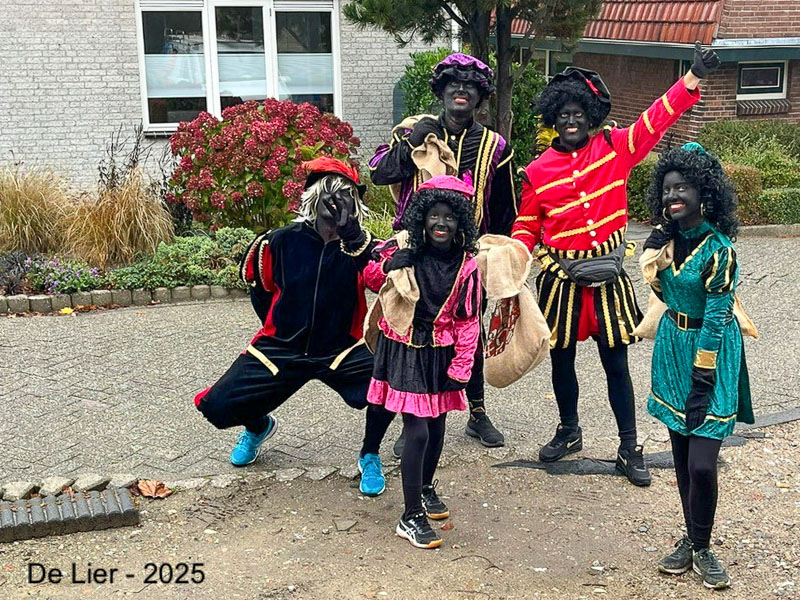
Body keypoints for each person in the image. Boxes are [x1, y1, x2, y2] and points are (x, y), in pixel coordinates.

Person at [511, 42, 721, 486]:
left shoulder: (615, 147)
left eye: (578, 113)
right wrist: (508, 262)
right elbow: (527, 226)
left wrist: (692, 78)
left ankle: (629, 446)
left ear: (590, 115)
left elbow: (654, 120)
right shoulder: (536, 171)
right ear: (553, 120)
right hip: (561, 281)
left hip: (608, 279)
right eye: (563, 115)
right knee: (562, 361)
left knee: (616, 364)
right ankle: (569, 430)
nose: (571, 121)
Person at [193, 157, 395, 497]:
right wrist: (281, 328)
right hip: (281, 347)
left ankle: (370, 453)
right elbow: (261, 291)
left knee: (391, 384)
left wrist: (354, 238)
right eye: (329, 193)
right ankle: (259, 426)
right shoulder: (280, 241)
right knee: (217, 405)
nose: (336, 203)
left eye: (344, 195)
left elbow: (384, 284)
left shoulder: (364, 246)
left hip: (341, 348)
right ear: (313, 197)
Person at [370, 52, 516, 449]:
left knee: (469, 330)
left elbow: (505, 207)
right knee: (413, 330)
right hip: (416, 253)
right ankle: (412, 418)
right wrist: (411, 143)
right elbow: (380, 173)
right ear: (442, 90)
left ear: (480, 95)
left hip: (466, 256)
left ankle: (477, 412)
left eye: (470, 85)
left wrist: (500, 257)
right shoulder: (414, 130)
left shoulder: (496, 146)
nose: (461, 90)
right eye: (454, 83)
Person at [642, 143, 752, 590]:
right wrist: (650, 256)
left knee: (704, 463)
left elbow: (718, 316)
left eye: (682, 187)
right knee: (683, 457)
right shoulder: (666, 243)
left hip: (712, 352)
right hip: (672, 346)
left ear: (704, 192)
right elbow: (665, 294)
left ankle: (704, 548)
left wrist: (702, 379)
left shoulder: (719, 250)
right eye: (668, 188)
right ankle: (692, 540)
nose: (673, 195)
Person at [364, 175, 482, 549]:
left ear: (461, 222)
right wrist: (389, 265)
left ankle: (426, 487)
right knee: (416, 431)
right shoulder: (403, 248)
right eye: (434, 216)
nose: (441, 223)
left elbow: (468, 321)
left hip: (441, 354)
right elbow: (369, 277)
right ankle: (410, 515)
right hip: (404, 350)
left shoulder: (467, 267)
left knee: (436, 428)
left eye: (450, 217)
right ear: (422, 218)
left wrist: (461, 367)